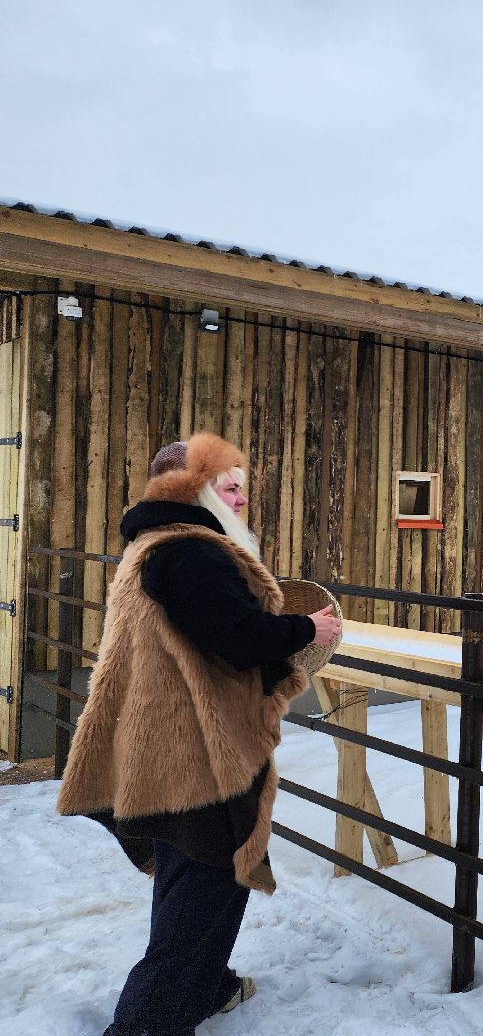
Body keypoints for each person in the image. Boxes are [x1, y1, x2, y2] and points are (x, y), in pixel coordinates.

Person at [57, 433, 342, 1036]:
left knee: (188, 877)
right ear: (190, 489)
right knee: (209, 883)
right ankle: (145, 1025)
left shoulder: (154, 544)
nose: (240, 498)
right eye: (228, 487)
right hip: (194, 755)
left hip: (162, 747)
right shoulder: (189, 552)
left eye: (242, 487)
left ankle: (208, 987)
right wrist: (304, 629)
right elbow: (235, 637)